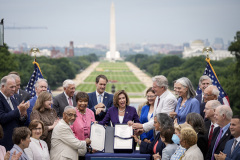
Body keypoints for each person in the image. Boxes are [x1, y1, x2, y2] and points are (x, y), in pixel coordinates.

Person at [0, 75, 29, 151]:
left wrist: (23, 114)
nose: (14, 89)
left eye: (15, 86)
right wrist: (18, 110)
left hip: (15, 141)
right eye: (11, 87)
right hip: (4, 141)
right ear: (3, 86)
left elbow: (18, 121)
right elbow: (2, 118)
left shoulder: (13, 99)